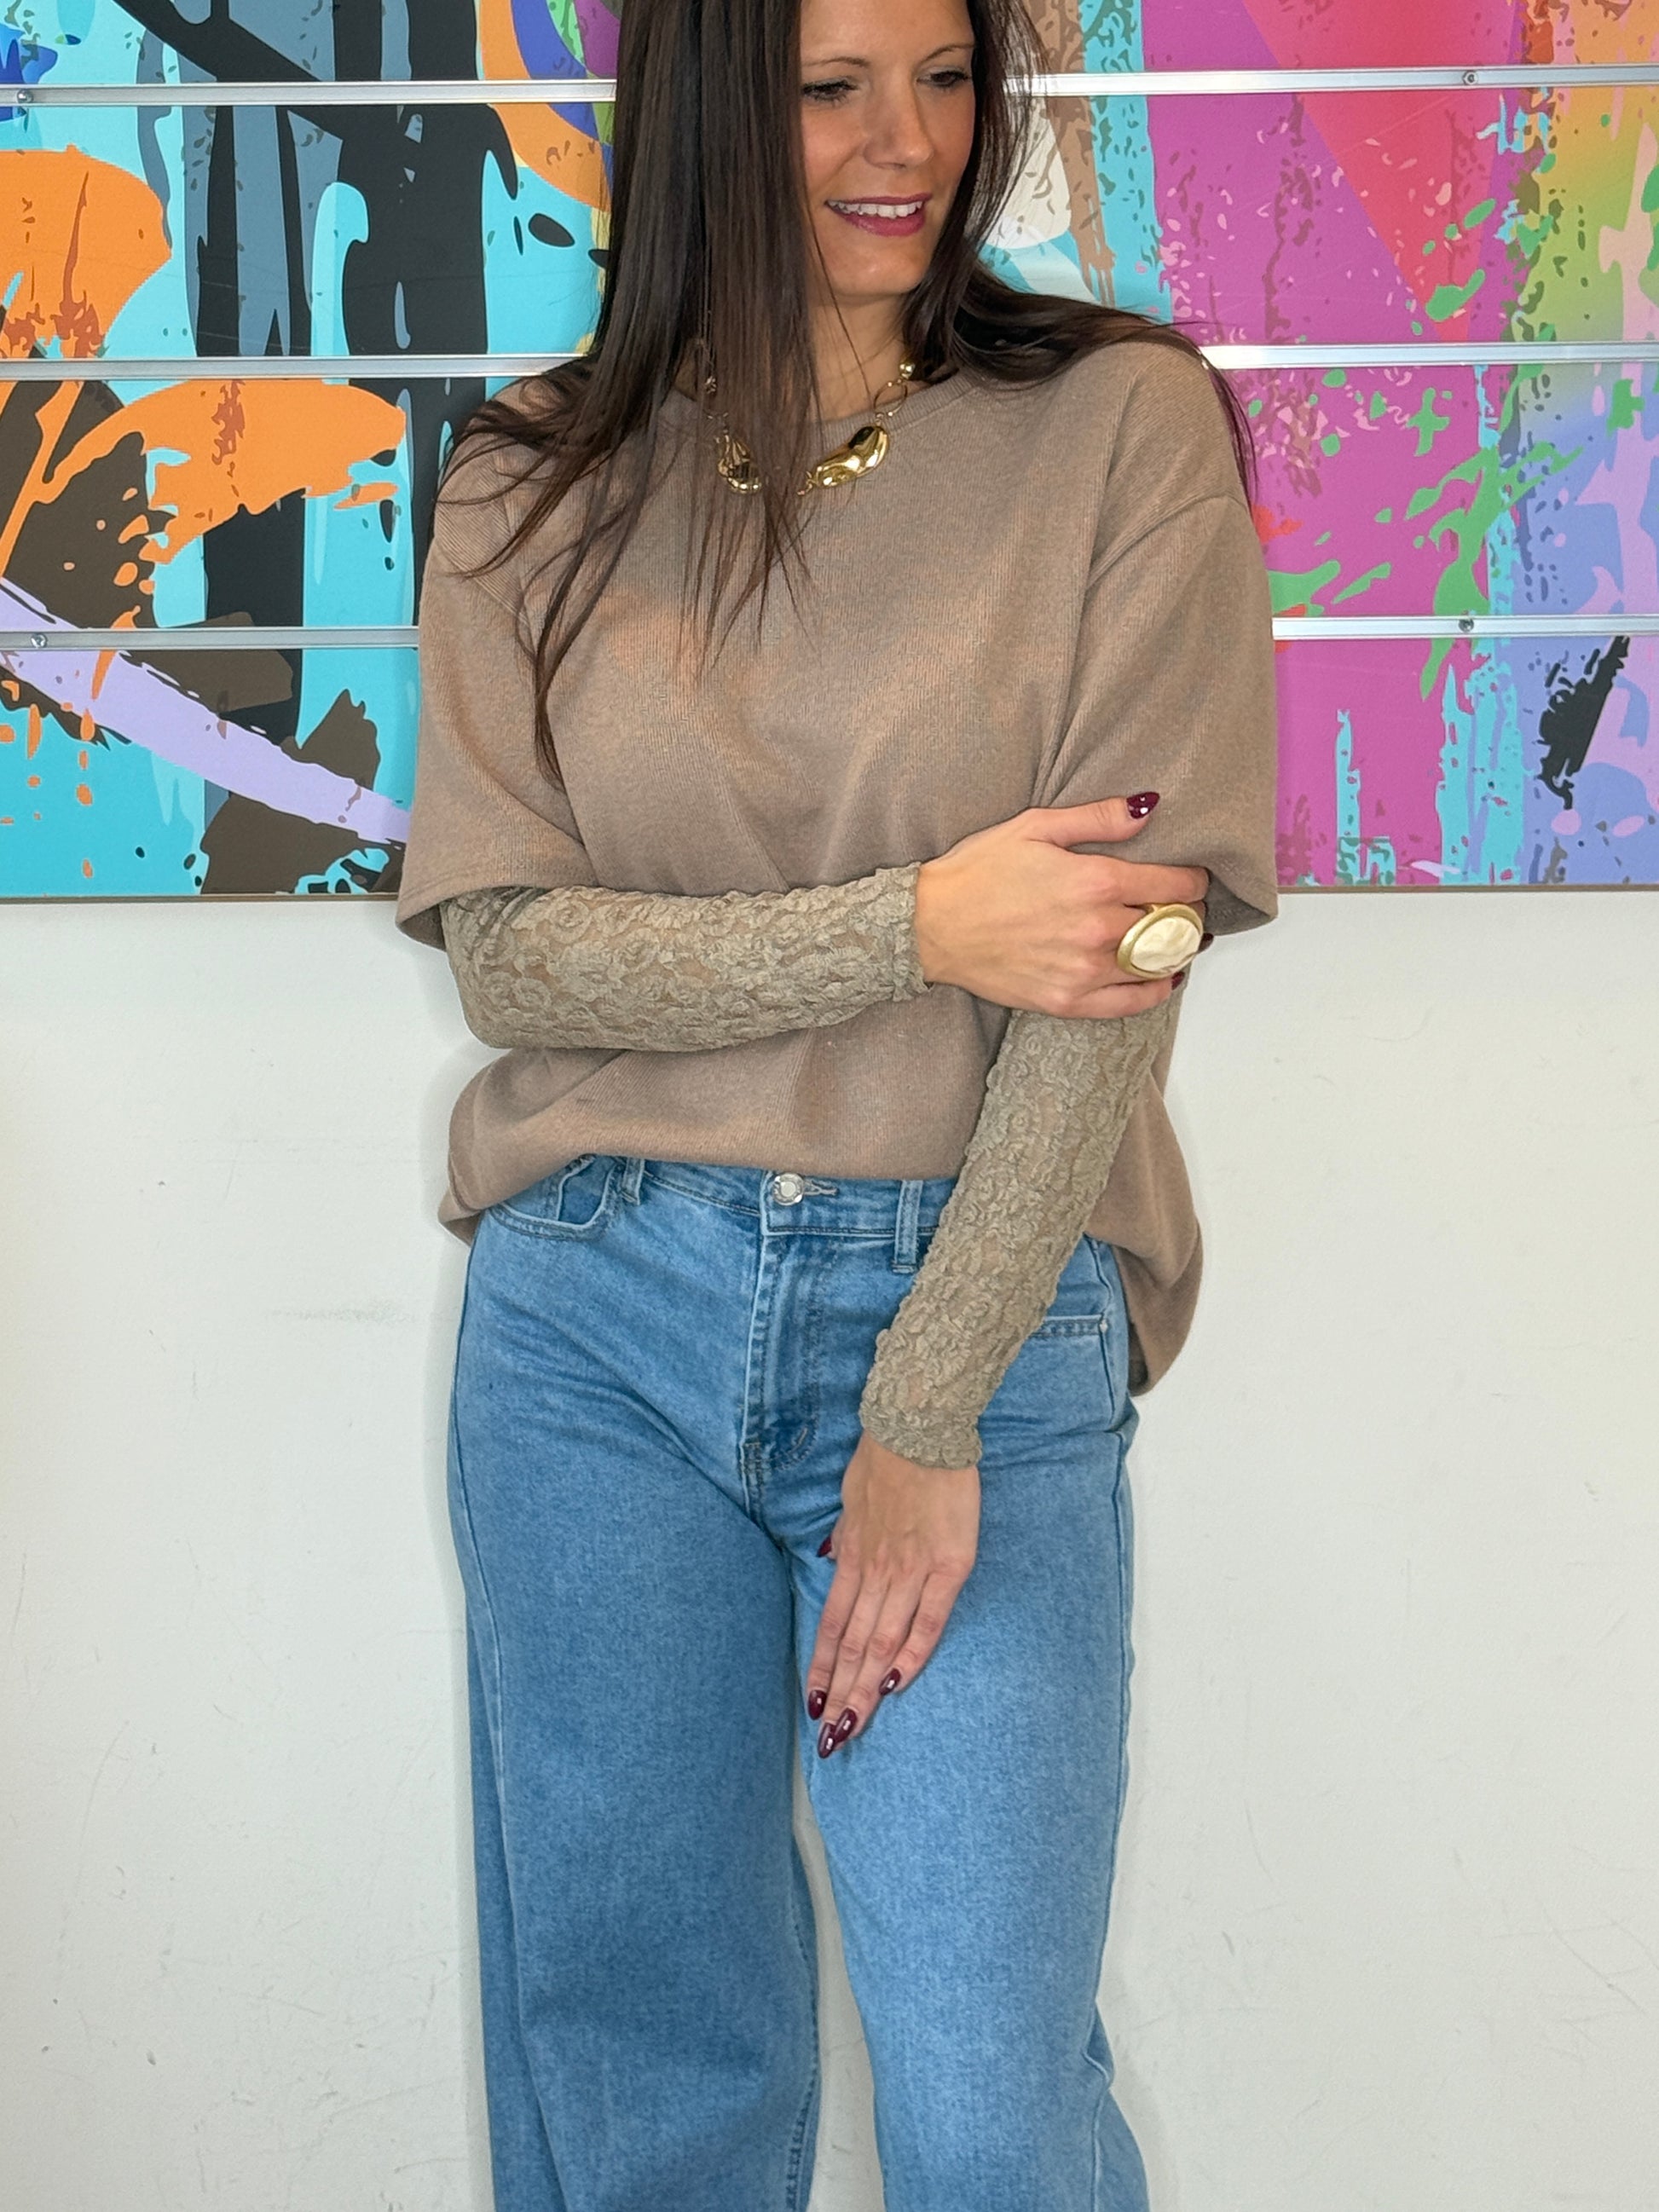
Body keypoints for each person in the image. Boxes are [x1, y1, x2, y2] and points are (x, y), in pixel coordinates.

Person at [396, 0, 1278, 2204]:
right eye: (828, 87)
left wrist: (929, 1402)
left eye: (946, 75)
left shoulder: (1119, 425)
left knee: (986, 2102)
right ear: (713, 101)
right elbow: (513, 956)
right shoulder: (532, 474)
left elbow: (1116, 958)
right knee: (647, 2087)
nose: (909, 141)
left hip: (976, 1298)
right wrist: (919, 924)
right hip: (593, 1321)